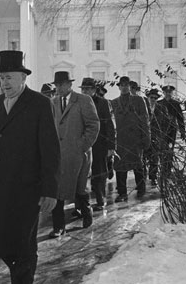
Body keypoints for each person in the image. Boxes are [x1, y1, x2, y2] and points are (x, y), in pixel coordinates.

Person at [0, 50, 60, 284]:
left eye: (10, 77)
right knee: (2, 243)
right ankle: (18, 274)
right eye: (1, 78)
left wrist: (50, 190)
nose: (5, 83)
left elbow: (50, 149)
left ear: (23, 78)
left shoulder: (39, 104)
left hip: (28, 188)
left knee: (25, 243)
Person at [49, 71, 99, 237]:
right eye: (56, 85)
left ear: (70, 85)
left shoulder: (83, 100)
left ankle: (87, 213)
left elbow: (93, 125)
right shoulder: (53, 102)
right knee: (57, 190)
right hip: (58, 155)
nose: (58, 88)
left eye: (62, 84)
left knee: (80, 188)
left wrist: (81, 146)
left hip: (79, 154)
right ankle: (58, 226)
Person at [110, 76, 150, 202]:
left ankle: (141, 189)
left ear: (130, 86)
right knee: (120, 166)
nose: (124, 87)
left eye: (126, 85)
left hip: (135, 139)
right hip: (121, 140)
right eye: (122, 85)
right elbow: (111, 123)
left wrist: (146, 138)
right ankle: (122, 193)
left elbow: (145, 120)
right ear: (119, 87)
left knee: (138, 164)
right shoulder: (114, 102)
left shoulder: (139, 100)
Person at [79, 78, 116, 211]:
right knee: (81, 174)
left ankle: (101, 201)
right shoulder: (78, 102)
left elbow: (110, 125)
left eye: (88, 89)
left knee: (99, 174)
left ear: (94, 90)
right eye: (83, 89)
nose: (85, 91)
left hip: (100, 144)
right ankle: (80, 206)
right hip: (82, 144)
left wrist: (111, 146)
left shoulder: (103, 103)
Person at [145, 89, 171, 186]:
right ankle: (142, 175)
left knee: (154, 157)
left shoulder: (162, 108)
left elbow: (167, 122)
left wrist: (163, 134)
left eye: (155, 98)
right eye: (151, 97)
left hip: (157, 137)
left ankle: (153, 177)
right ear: (148, 97)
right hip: (145, 136)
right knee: (143, 158)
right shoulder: (143, 107)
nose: (153, 99)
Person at [159, 85, 186, 172]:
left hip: (172, 130)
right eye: (166, 92)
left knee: (170, 149)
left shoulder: (175, 104)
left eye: (170, 92)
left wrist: (182, 131)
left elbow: (180, 118)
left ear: (172, 93)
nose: (168, 94)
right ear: (163, 93)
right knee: (161, 149)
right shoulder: (159, 103)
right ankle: (163, 167)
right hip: (161, 130)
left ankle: (168, 168)